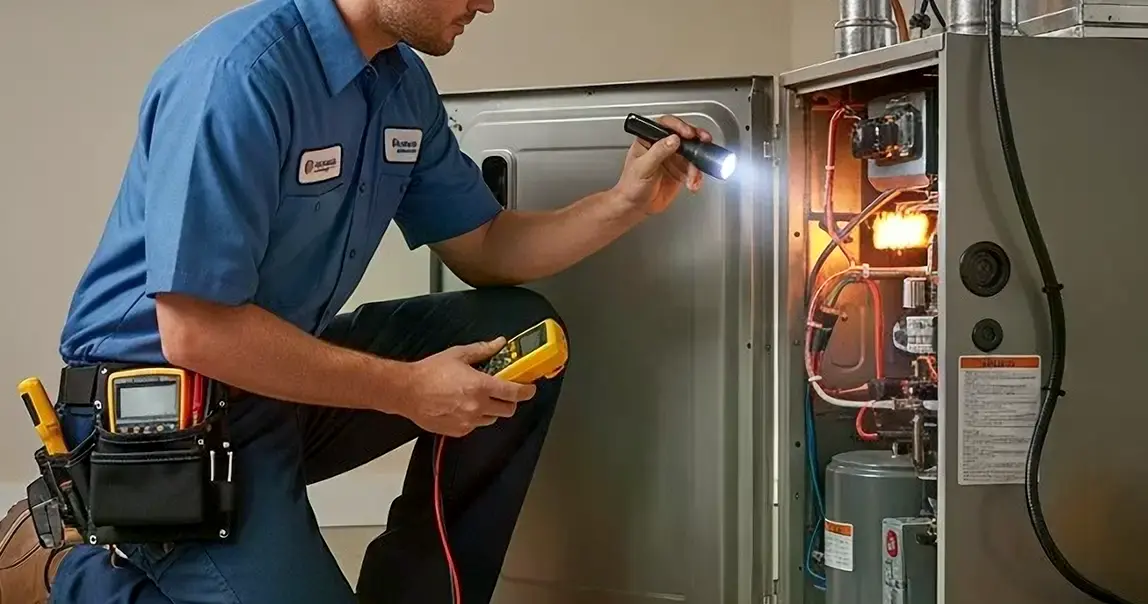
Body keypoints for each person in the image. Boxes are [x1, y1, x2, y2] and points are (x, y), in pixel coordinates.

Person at [40, 0, 713, 602]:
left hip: (274, 385)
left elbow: (484, 246)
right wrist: (407, 390)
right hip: (158, 415)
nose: (487, 3)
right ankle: (65, 573)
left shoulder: (397, 84)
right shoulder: (238, 78)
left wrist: (623, 205)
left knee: (518, 331)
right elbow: (196, 333)